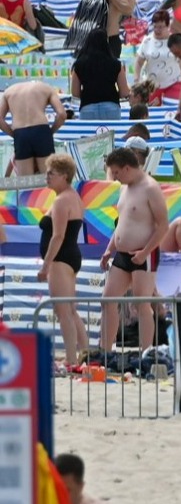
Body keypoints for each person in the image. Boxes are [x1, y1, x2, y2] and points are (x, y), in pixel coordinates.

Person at [97, 145, 168, 364]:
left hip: (144, 253)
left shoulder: (150, 188)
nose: (115, 177)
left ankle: (146, 353)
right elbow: (122, 224)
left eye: (116, 172)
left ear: (127, 168)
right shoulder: (124, 189)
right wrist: (110, 249)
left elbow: (163, 226)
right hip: (122, 252)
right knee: (107, 300)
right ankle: (105, 351)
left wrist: (145, 252)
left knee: (141, 303)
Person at [38, 154, 86, 374]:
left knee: (63, 311)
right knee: (71, 310)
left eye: (52, 173)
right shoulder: (73, 197)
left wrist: (46, 265)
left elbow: (57, 236)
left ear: (64, 176)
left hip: (61, 258)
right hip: (70, 255)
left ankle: (70, 359)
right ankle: (84, 353)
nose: (47, 176)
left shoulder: (61, 200)